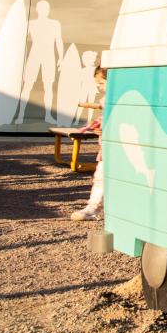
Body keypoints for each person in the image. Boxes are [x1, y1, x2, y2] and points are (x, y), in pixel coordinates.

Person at [70, 68, 109, 221]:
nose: (99, 87)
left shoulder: (119, 98)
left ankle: (96, 208)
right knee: (100, 176)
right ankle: (94, 207)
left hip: (119, 145)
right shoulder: (107, 99)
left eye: (101, 83)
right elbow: (105, 117)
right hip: (107, 145)